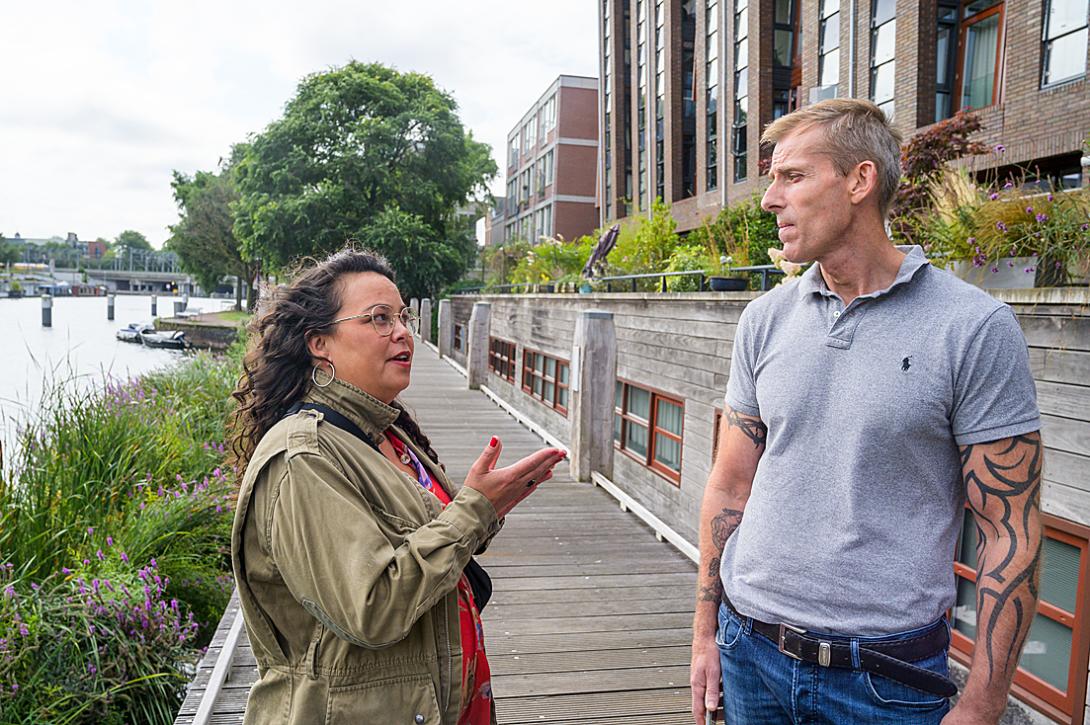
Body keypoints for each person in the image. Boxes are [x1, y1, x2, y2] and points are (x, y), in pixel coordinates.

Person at [690, 98, 1042, 725]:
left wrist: (984, 704)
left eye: (792, 176)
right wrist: (705, 633)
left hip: (886, 683)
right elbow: (731, 483)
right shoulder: (764, 320)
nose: (770, 199)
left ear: (859, 181)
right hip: (750, 654)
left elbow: (1008, 529)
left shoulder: (972, 328)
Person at [228, 248, 567, 724]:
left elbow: (436, 532)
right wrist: (474, 512)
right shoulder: (302, 457)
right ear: (318, 342)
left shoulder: (384, 430)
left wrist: (487, 506)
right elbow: (372, 605)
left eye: (403, 316)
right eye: (379, 318)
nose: (402, 331)